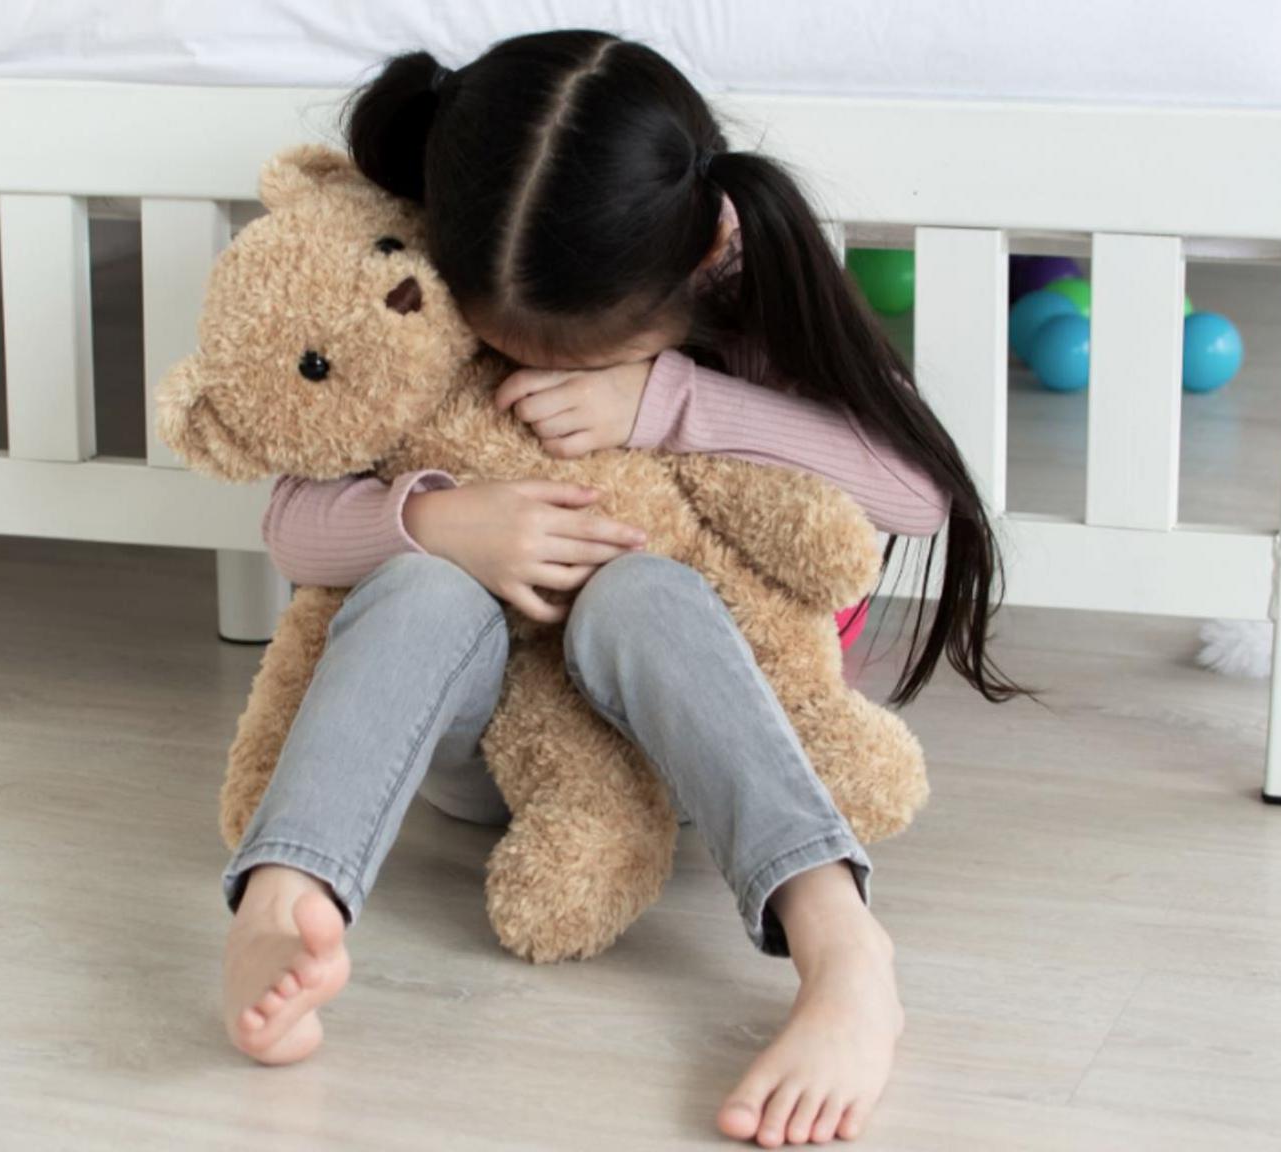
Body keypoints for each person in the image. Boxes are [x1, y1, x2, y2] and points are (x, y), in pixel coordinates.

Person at [220, 30, 1018, 1147]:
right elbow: (290, 526)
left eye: (584, 355)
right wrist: (440, 521)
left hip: (691, 745)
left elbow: (918, 494)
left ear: (699, 261)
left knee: (640, 593)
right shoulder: (411, 284)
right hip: (469, 751)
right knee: (418, 593)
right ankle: (283, 892)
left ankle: (839, 944)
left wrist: (666, 400)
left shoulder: (748, 289)